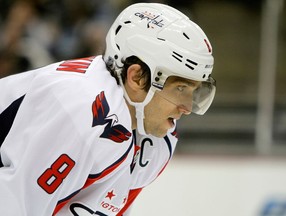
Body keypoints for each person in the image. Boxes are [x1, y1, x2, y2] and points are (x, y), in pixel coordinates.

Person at [0, 2, 215, 216]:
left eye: (193, 90)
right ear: (136, 77)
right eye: (180, 88)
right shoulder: (82, 111)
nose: (187, 108)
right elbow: (14, 206)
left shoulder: (157, 141)